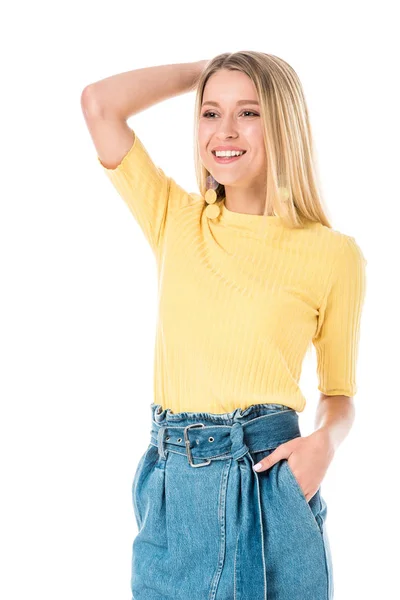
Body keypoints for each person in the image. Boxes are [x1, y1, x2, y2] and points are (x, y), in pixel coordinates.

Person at [81, 51, 367, 600]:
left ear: (281, 121)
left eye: (249, 113)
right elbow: (99, 104)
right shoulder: (175, 217)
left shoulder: (333, 256)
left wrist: (324, 445)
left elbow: (339, 393)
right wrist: (207, 71)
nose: (224, 131)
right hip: (173, 496)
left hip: (271, 486)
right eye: (210, 114)